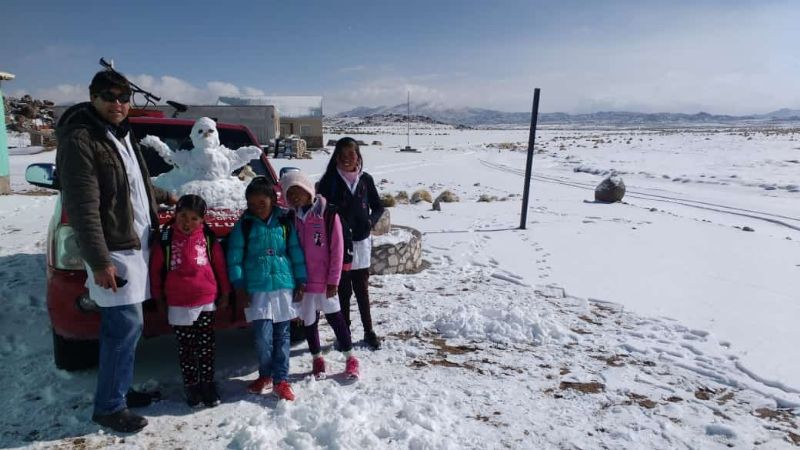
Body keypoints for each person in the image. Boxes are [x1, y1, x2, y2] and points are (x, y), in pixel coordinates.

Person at [56, 70, 176, 433]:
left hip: (136, 247)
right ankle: (109, 406)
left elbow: (132, 185)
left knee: (122, 328)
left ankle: (118, 391)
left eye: (124, 97)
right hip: (114, 250)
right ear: (93, 97)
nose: (118, 103)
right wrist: (99, 261)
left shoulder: (120, 135)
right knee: (125, 325)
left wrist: (165, 195)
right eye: (109, 96)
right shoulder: (81, 139)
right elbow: (82, 206)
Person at [226, 176, 307, 401]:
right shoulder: (245, 224)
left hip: (282, 287)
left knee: (282, 337)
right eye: (252, 204)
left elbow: (295, 252)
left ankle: (281, 379)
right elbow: (235, 257)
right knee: (262, 337)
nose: (256, 208)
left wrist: (301, 280)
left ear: (272, 200)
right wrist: (239, 286)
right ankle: (265, 374)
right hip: (257, 288)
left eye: (261, 203)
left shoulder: (284, 223)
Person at [149, 194, 230, 408]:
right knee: (186, 348)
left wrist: (225, 292)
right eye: (183, 216)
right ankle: (192, 385)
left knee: (206, 346)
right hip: (178, 303)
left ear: (202, 220)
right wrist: (158, 298)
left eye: (194, 218)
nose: (188, 222)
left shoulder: (208, 238)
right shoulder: (165, 239)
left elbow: (220, 267)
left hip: (206, 300)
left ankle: (208, 384)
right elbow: (155, 271)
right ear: (175, 215)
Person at [280, 171, 360, 380]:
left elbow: (337, 250)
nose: (296, 197)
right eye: (291, 194)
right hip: (304, 283)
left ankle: (350, 357)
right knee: (309, 322)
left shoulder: (328, 215)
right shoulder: (291, 218)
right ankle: (317, 359)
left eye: (299, 191)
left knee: (336, 319)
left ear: (309, 190)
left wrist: (334, 280)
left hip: (325, 282)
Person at [317, 137, 385, 350]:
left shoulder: (366, 180)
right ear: (336, 156)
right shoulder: (329, 181)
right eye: (342, 154)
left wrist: (369, 222)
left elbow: (379, 207)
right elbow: (321, 212)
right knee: (343, 291)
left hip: (362, 244)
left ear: (358, 156)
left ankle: (368, 331)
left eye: (351, 154)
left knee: (362, 291)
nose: (347, 159)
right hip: (339, 247)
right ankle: (344, 332)